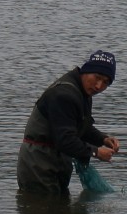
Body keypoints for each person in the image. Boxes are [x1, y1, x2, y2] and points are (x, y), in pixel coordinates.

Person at [17, 50, 121, 198]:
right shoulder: (64, 95)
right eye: (97, 78)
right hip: (39, 162)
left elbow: (77, 127)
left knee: (58, 209)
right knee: (47, 211)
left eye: (106, 82)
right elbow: (65, 140)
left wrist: (103, 139)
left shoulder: (83, 91)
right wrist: (96, 152)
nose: (99, 86)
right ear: (86, 71)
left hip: (57, 160)